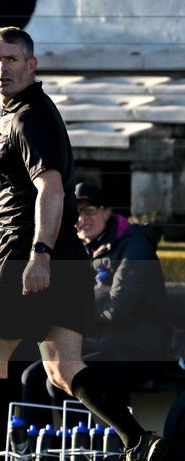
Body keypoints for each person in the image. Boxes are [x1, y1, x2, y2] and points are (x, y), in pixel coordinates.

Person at [0, 26, 167, 461]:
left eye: (10, 59)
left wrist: (39, 253)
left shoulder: (29, 116)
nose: (0, 69)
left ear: (31, 64)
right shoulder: (22, 112)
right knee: (64, 367)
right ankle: (138, 439)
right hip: (61, 255)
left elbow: (51, 187)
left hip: (32, 254)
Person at [20, 179, 177, 417]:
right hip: (105, 345)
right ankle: (39, 451)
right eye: (76, 212)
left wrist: (81, 303)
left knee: (68, 376)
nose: (82, 218)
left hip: (142, 349)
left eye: (90, 210)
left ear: (107, 212)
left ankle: (79, 452)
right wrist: (88, 299)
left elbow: (119, 310)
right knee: (32, 376)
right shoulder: (84, 250)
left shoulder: (135, 247)